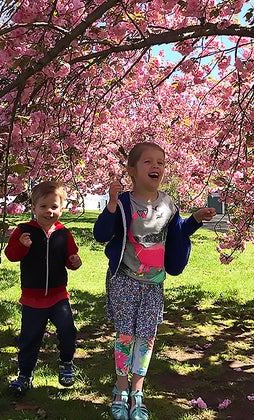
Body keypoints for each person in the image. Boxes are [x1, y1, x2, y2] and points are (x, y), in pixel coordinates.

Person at [93, 142, 216, 420]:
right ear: (132, 171)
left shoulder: (167, 204)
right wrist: (111, 206)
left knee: (146, 338)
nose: (156, 167)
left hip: (153, 284)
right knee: (125, 335)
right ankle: (120, 390)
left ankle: (137, 392)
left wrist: (194, 218)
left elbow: (177, 232)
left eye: (160, 162)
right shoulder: (123, 202)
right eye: (148, 162)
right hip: (124, 280)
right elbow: (101, 234)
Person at [5, 181, 83, 396]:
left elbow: (70, 257)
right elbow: (12, 255)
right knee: (30, 337)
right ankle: (25, 374)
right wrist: (21, 244)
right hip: (32, 298)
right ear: (34, 208)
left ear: (62, 208)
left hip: (59, 296)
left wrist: (75, 261)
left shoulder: (63, 233)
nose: (49, 211)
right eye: (44, 206)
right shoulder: (24, 231)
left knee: (68, 330)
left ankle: (66, 363)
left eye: (54, 207)